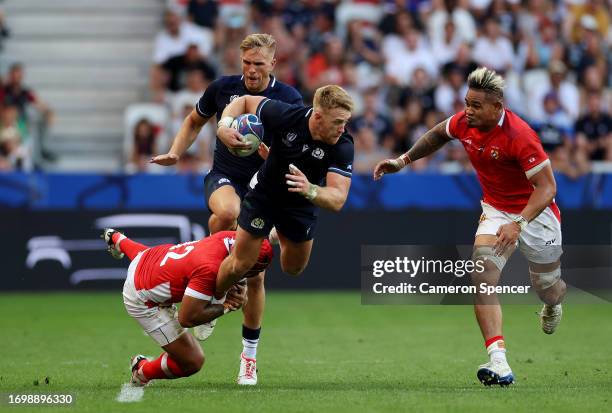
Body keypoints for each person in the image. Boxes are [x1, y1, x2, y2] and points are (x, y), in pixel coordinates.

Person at [374, 67, 565, 387]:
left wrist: (519, 223)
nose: (468, 111)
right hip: (495, 210)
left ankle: (552, 304)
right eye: (466, 103)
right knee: (482, 274)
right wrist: (403, 160)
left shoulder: (520, 135)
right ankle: (499, 361)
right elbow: (437, 134)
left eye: (476, 106)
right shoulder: (464, 122)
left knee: (548, 287)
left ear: (497, 106)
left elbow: (547, 189)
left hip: (536, 214)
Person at [150, 33, 302, 385]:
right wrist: (176, 152)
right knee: (228, 214)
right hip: (224, 178)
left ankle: (248, 359)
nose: (251, 70)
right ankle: (216, 285)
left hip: (264, 189)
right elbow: (193, 121)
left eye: (258, 64)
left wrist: (273, 154)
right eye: (246, 63)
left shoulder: (289, 98)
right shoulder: (222, 88)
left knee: (256, 276)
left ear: (273, 64)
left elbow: (297, 147)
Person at [214, 84, 354, 306]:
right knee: (241, 264)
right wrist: (224, 126)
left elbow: (338, 199)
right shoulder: (287, 116)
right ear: (318, 116)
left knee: (293, 268)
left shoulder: (343, 145)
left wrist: (310, 189)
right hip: (265, 195)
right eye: (337, 122)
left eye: (346, 121)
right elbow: (245, 101)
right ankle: (211, 299)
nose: (342, 128)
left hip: (302, 204)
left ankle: (271, 234)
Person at [101, 228, 273, 387]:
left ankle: (117, 239)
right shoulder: (209, 269)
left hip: (151, 257)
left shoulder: (227, 237)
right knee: (192, 361)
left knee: (148, 257)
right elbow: (187, 318)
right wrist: (226, 306)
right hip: (141, 297)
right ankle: (142, 370)